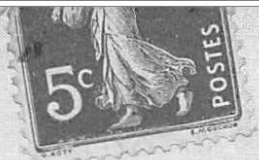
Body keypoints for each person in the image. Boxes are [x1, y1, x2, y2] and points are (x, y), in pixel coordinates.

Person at [53, 8, 195, 131]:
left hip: (116, 12)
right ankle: (132, 110)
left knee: (134, 59)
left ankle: (181, 89)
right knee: (115, 62)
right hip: (102, 15)